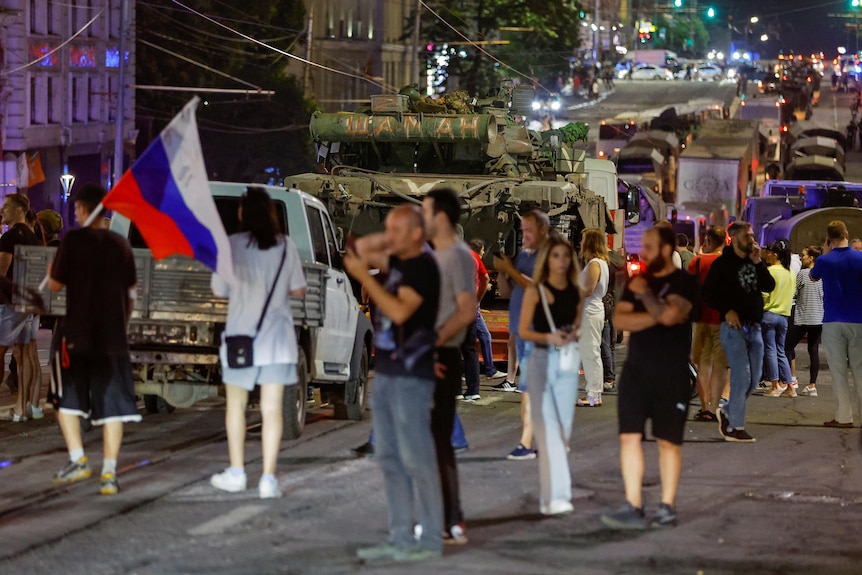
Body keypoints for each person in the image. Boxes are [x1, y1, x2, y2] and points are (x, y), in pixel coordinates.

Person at [344, 204, 443, 562]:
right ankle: (400, 537)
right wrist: (387, 235)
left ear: (416, 234)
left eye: (396, 231)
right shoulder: (401, 262)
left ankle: (431, 537)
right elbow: (361, 251)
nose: (388, 239)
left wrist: (366, 278)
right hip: (387, 372)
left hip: (412, 376)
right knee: (390, 458)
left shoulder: (424, 267)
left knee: (417, 458)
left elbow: (401, 311)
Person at [209, 187, 307, 499]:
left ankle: (237, 473)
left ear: (242, 213)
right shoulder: (285, 246)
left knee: (236, 406)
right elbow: (299, 290)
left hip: (241, 339)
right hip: (277, 341)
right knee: (271, 409)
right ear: (270, 214)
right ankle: (267, 479)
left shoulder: (231, 245)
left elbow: (219, 290)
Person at [601, 226, 699, 529]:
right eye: (643, 246)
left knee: (668, 442)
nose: (643, 253)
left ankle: (667, 506)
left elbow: (674, 316)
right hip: (636, 372)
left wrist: (648, 300)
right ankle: (633, 505)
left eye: (650, 247)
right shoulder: (637, 280)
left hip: (672, 374)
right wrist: (658, 314)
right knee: (629, 437)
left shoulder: (685, 282)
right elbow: (620, 319)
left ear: (668, 249)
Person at [46, 184, 142, 494]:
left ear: (85, 209)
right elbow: (130, 295)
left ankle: (78, 460)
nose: (75, 214)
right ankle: (109, 474)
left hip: (76, 334)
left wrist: (51, 270)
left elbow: (57, 286)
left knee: (66, 400)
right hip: (113, 337)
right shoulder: (121, 245)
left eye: (76, 209)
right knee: (113, 405)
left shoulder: (73, 240)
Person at [422, 188, 477, 545]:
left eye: (425, 211)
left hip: (441, 357)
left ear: (440, 216)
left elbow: (466, 311)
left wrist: (433, 343)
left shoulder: (457, 256)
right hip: (421, 356)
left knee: (438, 441)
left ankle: (451, 518)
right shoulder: (428, 255)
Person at [518, 236, 582, 515]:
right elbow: (523, 331)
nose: (561, 261)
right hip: (542, 358)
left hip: (568, 361)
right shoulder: (536, 291)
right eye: (555, 256)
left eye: (565, 256)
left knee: (563, 432)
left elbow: (578, 323)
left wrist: (571, 335)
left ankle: (553, 496)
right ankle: (556, 495)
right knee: (548, 432)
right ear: (548, 260)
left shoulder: (576, 291)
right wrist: (550, 336)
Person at [703, 222, 775, 442]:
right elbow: (707, 294)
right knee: (742, 377)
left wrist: (758, 262)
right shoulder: (723, 264)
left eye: (753, 236)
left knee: (754, 379)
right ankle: (735, 427)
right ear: (734, 238)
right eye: (748, 236)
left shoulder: (754, 262)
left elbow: (769, 286)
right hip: (734, 329)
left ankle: (726, 411)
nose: (753, 240)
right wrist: (726, 311)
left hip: (755, 328)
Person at [493, 210, 550, 460]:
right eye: (523, 230)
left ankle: (527, 444)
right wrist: (502, 273)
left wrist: (510, 270)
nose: (524, 235)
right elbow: (508, 292)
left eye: (529, 230)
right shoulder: (525, 256)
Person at [809, 221, 862, 428]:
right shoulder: (860, 258)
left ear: (829, 238)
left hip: (832, 320)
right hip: (858, 319)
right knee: (859, 369)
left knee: (838, 371)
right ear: (847, 234)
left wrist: (825, 250)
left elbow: (813, 277)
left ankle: (843, 417)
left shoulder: (824, 260)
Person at [0, 193, 39, 422]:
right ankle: (21, 408)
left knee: (1, 351)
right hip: (29, 305)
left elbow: (1, 273)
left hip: (9, 304)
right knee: (24, 356)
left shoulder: (9, 238)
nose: (3, 210)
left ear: (19, 210)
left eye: (6, 207)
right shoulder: (33, 238)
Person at [688, 227, 728, 421]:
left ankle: (704, 408)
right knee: (720, 365)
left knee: (703, 364)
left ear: (708, 241)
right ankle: (714, 406)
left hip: (701, 319)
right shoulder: (728, 263)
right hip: (723, 320)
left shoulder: (696, 262)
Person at [576, 228, 609, 408]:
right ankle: (593, 393)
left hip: (590, 312)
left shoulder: (595, 264)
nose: (581, 243)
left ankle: (594, 394)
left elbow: (587, 290)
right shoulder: (599, 263)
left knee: (591, 353)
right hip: (591, 311)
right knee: (590, 352)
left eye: (583, 239)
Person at [785, 246, 824, 397]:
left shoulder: (802, 273)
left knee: (787, 347)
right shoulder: (823, 275)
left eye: (804, 255)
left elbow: (794, 293)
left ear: (811, 258)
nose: (801, 258)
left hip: (802, 317)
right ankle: (812, 385)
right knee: (813, 351)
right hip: (818, 317)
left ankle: (789, 382)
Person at [760, 240, 796, 397]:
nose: (766, 254)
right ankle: (790, 387)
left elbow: (763, 294)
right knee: (781, 351)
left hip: (769, 314)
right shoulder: (790, 273)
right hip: (784, 315)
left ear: (775, 255)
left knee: (770, 350)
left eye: (768, 252)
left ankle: (774, 386)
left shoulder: (770, 271)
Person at [468, 239, 506, 381]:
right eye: (483, 250)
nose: (484, 252)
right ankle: (489, 369)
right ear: (479, 249)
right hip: (472, 306)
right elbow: (484, 278)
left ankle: (468, 371)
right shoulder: (474, 258)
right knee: (483, 336)